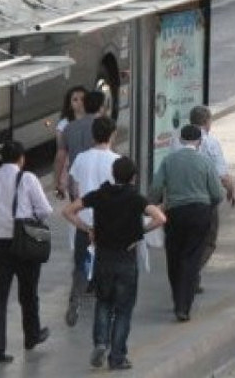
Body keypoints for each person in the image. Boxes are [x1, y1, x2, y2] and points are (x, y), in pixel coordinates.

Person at [63, 156, 166, 371]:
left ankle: (100, 343)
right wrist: (139, 233)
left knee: (103, 303)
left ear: (113, 173)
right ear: (133, 177)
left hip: (103, 259)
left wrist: (87, 229)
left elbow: (68, 211)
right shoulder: (136, 198)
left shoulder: (100, 195)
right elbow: (160, 218)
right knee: (123, 310)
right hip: (126, 260)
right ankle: (117, 357)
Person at [0, 141, 52, 363]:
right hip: (24, 242)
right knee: (29, 292)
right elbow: (45, 210)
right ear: (21, 158)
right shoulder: (28, 179)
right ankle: (32, 335)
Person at [149, 125, 223, 322]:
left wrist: (153, 204)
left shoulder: (168, 161)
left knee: (174, 256)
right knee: (191, 258)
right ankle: (184, 306)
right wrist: (209, 206)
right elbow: (217, 193)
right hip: (199, 213)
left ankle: (177, 299)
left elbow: (156, 187)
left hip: (175, 212)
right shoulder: (205, 162)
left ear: (180, 140)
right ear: (199, 142)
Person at [64, 116, 122, 326]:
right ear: (112, 134)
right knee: (107, 266)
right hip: (107, 224)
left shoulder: (81, 158)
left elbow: (74, 188)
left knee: (81, 264)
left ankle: (75, 298)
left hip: (84, 222)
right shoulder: (116, 160)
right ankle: (105, 306)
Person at [187, 105, 235, 293]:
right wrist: (231, 191)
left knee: (187, 240)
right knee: (208, 240)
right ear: (207, 122)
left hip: (180, 199)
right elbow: (222, 175)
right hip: (205, 200)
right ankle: (191, 272)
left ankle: (191, 274)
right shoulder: (211, 142)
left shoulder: (177, 141)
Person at [50, 85, 88, 199]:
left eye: (83, 99)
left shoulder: (95, 120)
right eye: (75, 99)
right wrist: (57, 181)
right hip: (73, 172)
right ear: (70, 104)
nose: (79, 102)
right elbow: (61, 153)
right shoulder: (64, 125)